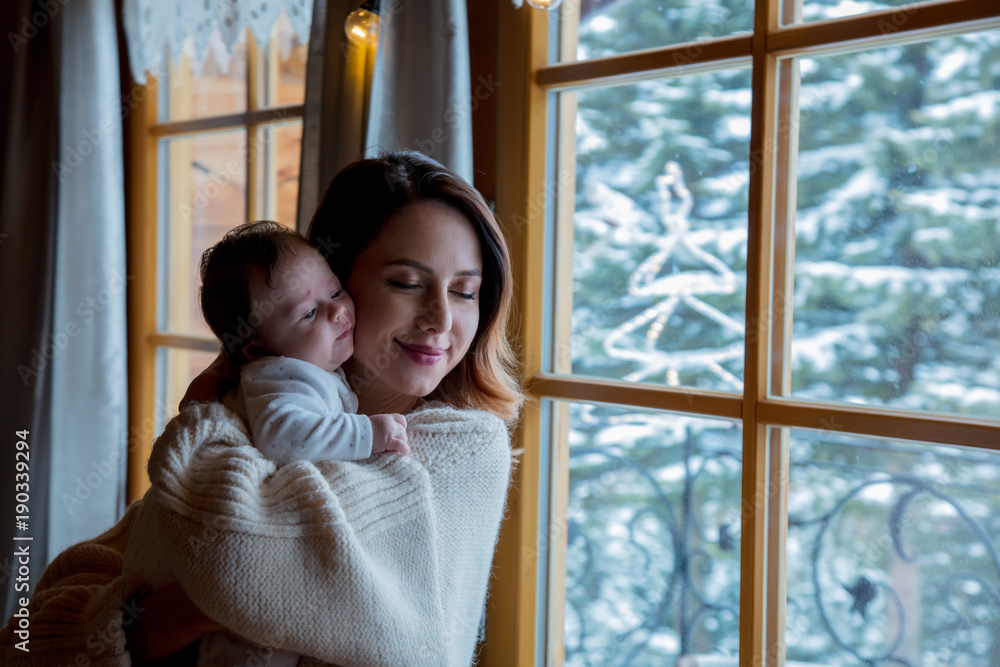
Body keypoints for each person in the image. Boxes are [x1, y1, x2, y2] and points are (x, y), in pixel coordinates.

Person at [0, 151, 523, 667]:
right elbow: (31, 634)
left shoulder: (462, 448)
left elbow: (233, 562)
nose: (440, 318)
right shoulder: (257, 413)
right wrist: (193, 607)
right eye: (406, 283)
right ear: (332, 279)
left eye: (465, 292)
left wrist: (203, 417)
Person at [124, 220, 412, 667]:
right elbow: (284, 438)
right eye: (308, 314)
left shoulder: (307, 368)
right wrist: (369, 434)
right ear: (257, 349)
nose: (337, 312)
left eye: (334, 293)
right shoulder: (281, 378)